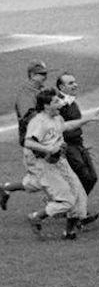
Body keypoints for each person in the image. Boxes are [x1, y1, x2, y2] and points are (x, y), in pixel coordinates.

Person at [24, 88, 99, 240]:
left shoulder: (57, 118)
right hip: (46, 166)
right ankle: (36, 216)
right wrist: (48, 148)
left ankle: (69, 232)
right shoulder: (39, 122)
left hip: (61, 162)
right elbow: (28, 142)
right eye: (56, 102)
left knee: (79, 196)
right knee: (67, 201)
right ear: (46, 106)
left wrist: (86, 120)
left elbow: (66, 126)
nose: (60, 104)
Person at [1, 60, 49, 211]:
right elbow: (28, 117)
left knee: (51, 177)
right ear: (32, 75)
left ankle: (7, 188)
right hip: (34, 144)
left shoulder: (40, 90)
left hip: (44, 142)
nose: (45, 77)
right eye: (42, 74)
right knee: (42, 180)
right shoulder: (26, 93)